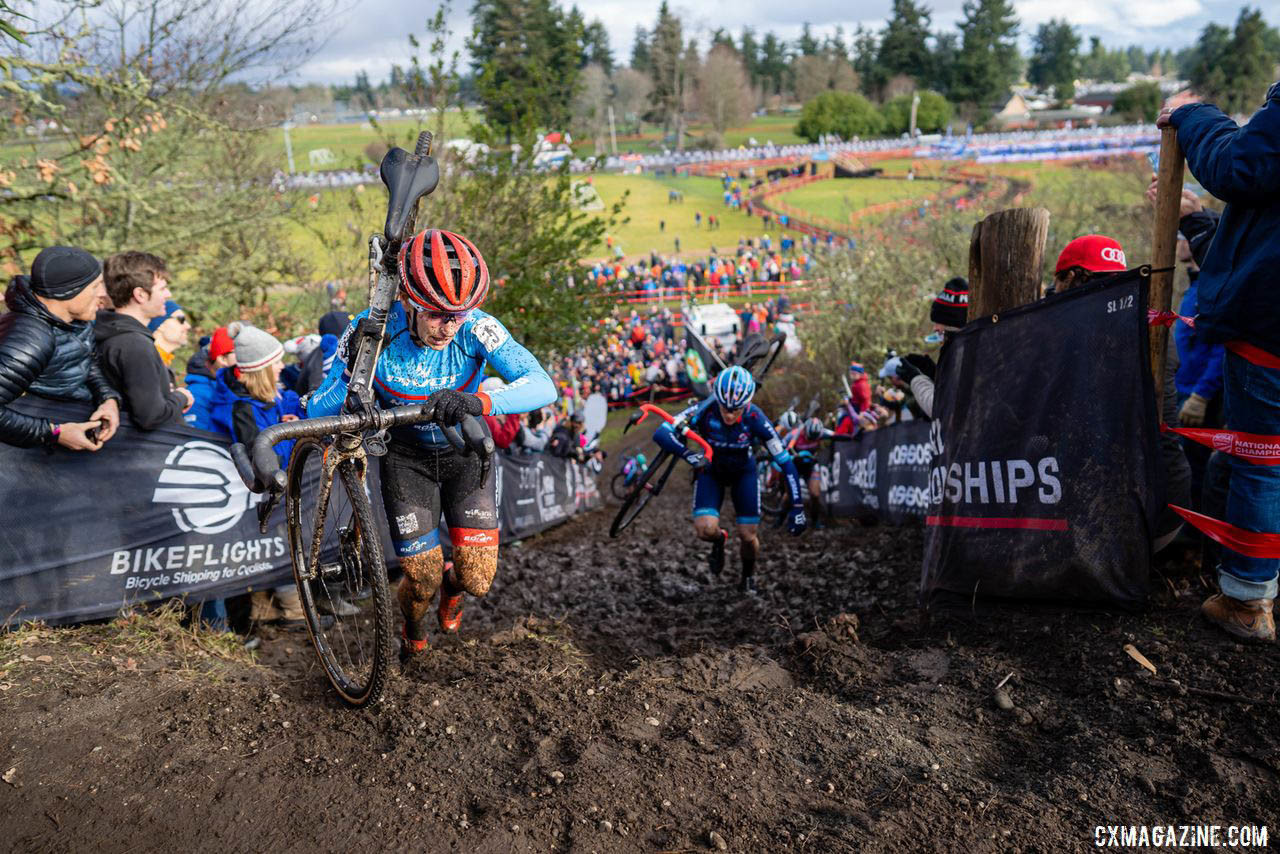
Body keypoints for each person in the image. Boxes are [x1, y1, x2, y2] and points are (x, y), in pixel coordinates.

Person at [307, 227, 556, 657]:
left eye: (459, 314)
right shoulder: (370, 331)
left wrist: (479, 401)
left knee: (477, 579)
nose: (449, 326)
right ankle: (412, 624)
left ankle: (453, 587)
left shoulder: (478, 327)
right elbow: (316, 410)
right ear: (408, 300)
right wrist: (354, 379)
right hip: (406, 461)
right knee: (421, 580)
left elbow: (542, 385)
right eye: (438, 314)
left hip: (463, 455)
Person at [1162, 82, 1280, 641]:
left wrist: (1195, 116)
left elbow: (1242, 167)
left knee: (1260, 463)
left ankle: (1247, 601)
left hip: (1269, 333)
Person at [653, 365, 805, 595]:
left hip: (743, 472)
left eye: (736, 410)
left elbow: (786, 463)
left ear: (747, 404)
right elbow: (662, 432)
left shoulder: (756, 418)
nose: (730, 415)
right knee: (704, 530)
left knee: (748, 535)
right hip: (711, 469)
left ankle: (747, 577)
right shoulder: (705, 409)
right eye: (725, 408)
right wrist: (688, 455)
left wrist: (797, 505)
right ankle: (719, 539)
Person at [207, 322, 308, 626]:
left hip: (276, 493)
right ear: (262, 369)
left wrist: (294, 420)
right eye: (276, 362)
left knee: (279, 542)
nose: (282, 367)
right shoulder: (241, 407)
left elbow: (297, 407)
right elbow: (262, 458)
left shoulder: (272, 396)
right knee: (280, 545)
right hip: (257, 495)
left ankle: (266, 610)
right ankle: (292, 610)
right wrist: (288, 434)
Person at [0, 246, 120, 450]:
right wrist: (54, 433)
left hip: (71, 421)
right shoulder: (29, 340)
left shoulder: (75, 320)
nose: (103, 294)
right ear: (69, 291)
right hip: (30, 457)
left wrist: (107, 399)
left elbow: (85, 361)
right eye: (96, 286)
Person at [95, 251, 193, 429]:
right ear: (140, 294)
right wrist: (181, 397)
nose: (168, 294)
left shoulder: (115, 333)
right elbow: (150, 416)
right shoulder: (135, 345)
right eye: (162, 289)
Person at [894, 277, 970, 418]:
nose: (934, 328)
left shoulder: (965, 355)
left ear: (951, 324)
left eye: (938, 322)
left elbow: (941, 409)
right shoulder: (962, 351)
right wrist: (934, 373)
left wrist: (915, 379)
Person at [183, 326, 235, 431]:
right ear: (223, 359)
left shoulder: (237, 388)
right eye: (240, 352)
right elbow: (195, 440)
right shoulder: (197, 394)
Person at [147, 300, 189, 369]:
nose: (188, 326)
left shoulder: (159, 362)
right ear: (160, 325)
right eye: (181, 319)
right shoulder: (148, 364)